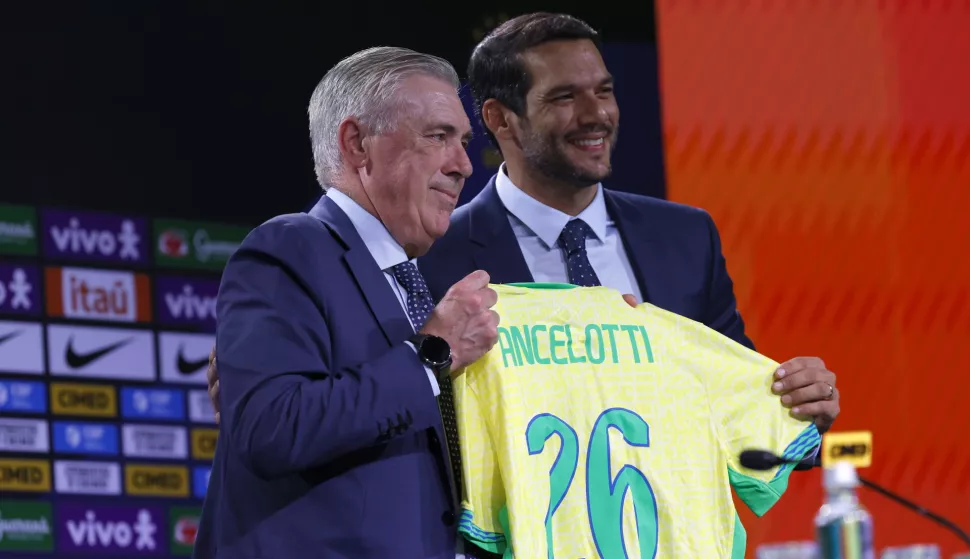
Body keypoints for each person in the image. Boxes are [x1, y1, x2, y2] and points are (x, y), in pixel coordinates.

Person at [418, 12, 841, 433]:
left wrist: (798, 412)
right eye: (564, 97)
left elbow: (736, 415)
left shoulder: (687, 238)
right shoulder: (435, 256)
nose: (596, 114)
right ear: (500, 118)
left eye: (604, 91)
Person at [191, 46, 502, 559]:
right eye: (438, 136)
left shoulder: (422, 289)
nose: (464, 165)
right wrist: (433, 353)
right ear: (357, 144)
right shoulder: (291, 247)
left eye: (465, 141)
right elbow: (272, 428)